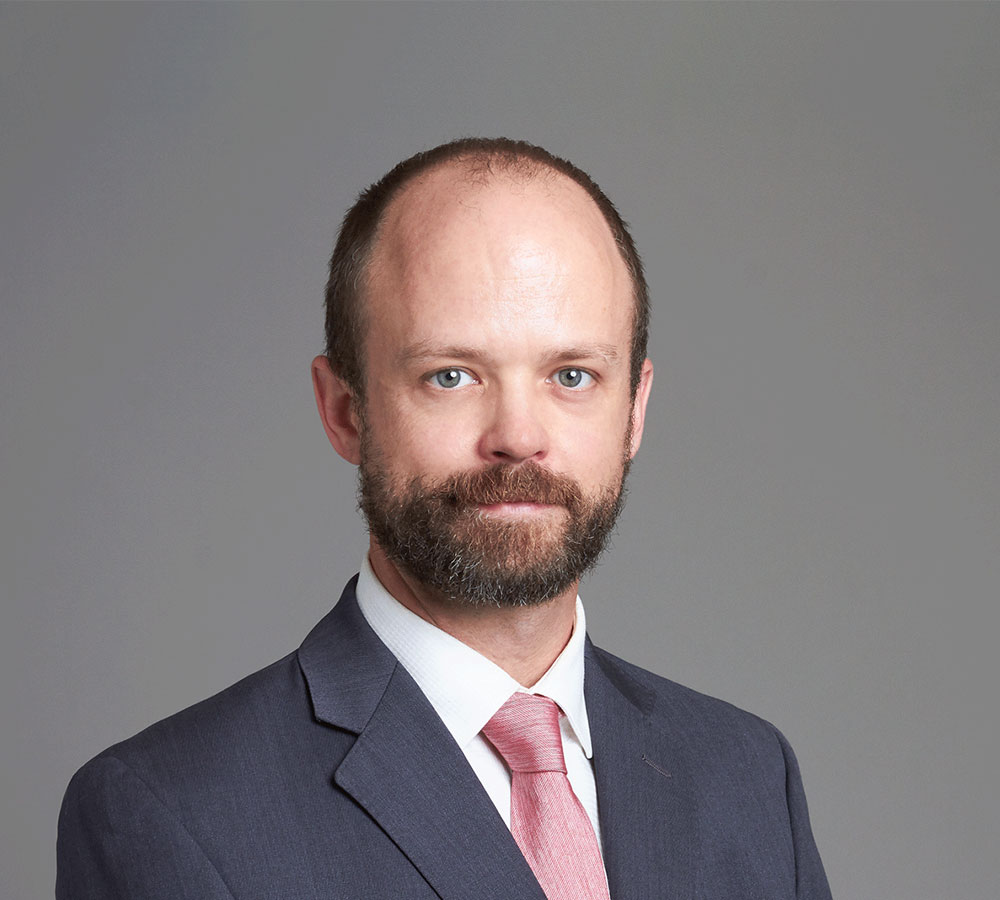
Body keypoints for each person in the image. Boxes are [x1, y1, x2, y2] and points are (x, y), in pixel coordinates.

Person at [57, 138, 832, 900]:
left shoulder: (747, 776)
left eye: (572, 375)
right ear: (344, 410)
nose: (519, 437)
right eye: (451, 376)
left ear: (634, 409)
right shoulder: (170, 814)